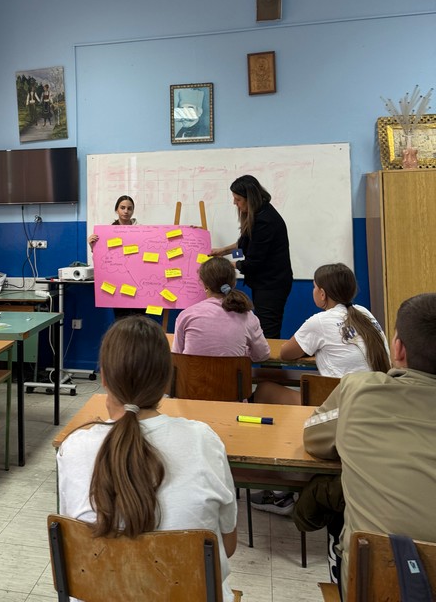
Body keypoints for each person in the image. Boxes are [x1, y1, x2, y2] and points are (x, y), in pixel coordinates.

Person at [57, 316, 237, 602]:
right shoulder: (204, 440)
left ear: (104, 378)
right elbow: (227, 545)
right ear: (167, 380)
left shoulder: (74, 447)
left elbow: (73, 541)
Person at [303, 293, 436, 599]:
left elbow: (313, 439)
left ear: (398, 348)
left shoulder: (359, 390)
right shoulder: (362, 315)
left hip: (373, 584)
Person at [254, 263, 390, 406]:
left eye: (314, 287)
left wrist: (309, 349)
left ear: (322, 294)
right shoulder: (364, 312)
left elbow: (285, 353)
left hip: (345, 405)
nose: (313, 290)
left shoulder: (319, 321)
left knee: (264, 390)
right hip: (379, 398)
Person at [210, 175, 292, 337]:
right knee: (262, 329)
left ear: (250, 199)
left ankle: (270, 355)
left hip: (271, 284)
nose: (235, 203)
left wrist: (225, 265)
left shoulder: (264, 222)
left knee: (268, 332)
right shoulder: (259, 212)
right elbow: (245, 247)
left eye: (238, 199)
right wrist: (223, 251)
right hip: (264, 282)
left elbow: (253, 262)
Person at [172, 256, 270, 360]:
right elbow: (262, 355)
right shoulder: (247, 316)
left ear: (205, 285)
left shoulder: (186, 315)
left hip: (192, 370)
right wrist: (242, 351)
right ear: (234, 283)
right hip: (233, 371)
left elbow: (176, 355)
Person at [88, 195, 138, 319]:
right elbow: (102, 260)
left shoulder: (141, 230)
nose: (126, 211)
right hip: (118, 283)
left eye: (129, 208)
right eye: (122, 208)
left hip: (138, 283)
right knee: (121, 320)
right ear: (116, 210)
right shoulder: (107, 233)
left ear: (133, 211)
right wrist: (93, 246)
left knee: (140, 320)